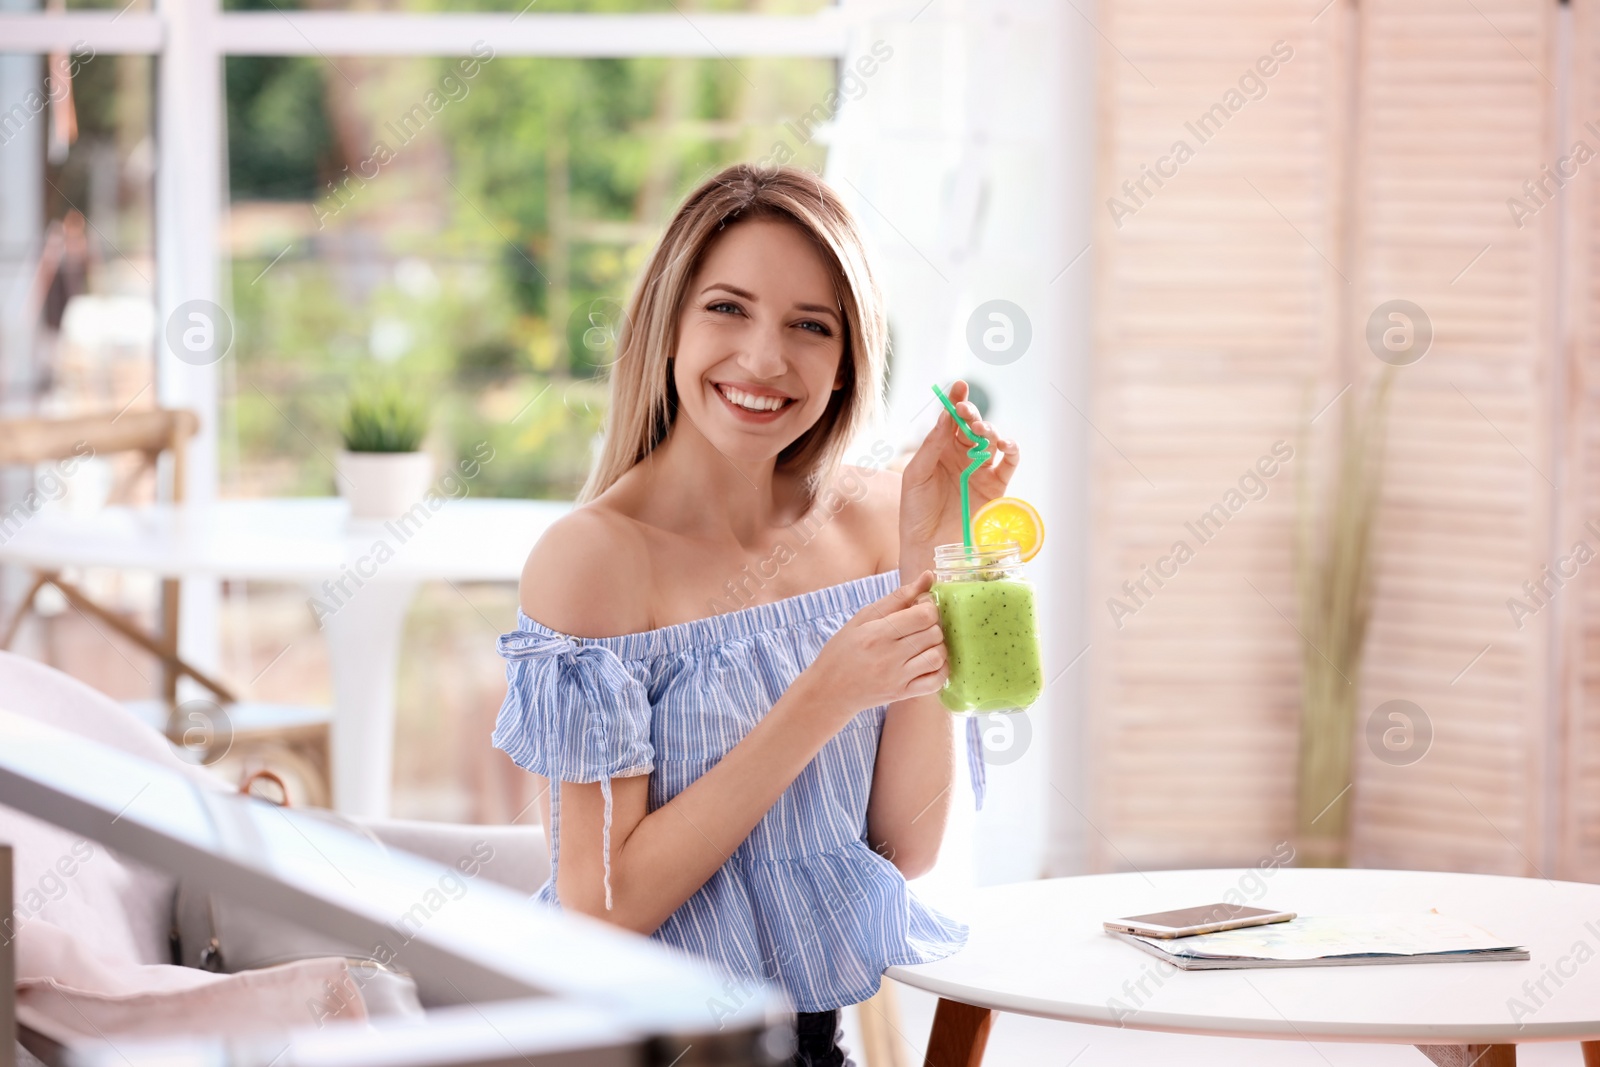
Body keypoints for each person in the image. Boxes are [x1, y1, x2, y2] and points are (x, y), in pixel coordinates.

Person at [492, 163, 1020, 1066]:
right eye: (727, 309)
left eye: (810, 326)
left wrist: (925, 556)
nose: (765, 360)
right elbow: (601, 908)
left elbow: (904, 845)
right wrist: (821, 696)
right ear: (669, 326)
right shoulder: (595, 561)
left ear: (850, 357)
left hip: (809, 1045)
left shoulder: (872, 520)